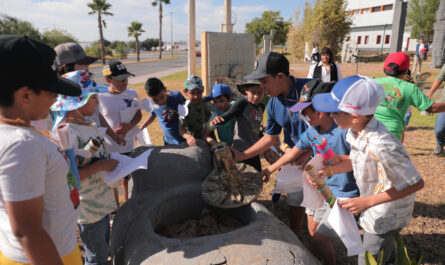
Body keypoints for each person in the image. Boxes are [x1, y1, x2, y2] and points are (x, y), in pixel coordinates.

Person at [312, 75, 425, 265]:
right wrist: (333, 168)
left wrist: (367, 201)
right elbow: (363, 160)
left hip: (384, 214)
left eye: (335, 113)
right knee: (381, 255)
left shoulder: (382, 143)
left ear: (354, 116)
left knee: (369, 259)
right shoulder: (356, 131)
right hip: (373, 206)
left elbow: (415, 183)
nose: (331, 116)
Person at [0, 35, 82, 265]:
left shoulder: (18, 133)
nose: (56, 99)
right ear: (25, 95)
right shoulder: (22, 145)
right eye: (51, 92)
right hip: (45, 254)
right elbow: (28, 231)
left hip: (51, 248)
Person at [259, 79, 359, 265]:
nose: (302, 116)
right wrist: (269, 169)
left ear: (321, 110)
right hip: (320, 189)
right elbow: (294, 152)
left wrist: (330, 168)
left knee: (319, 237)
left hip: (343, 194)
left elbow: (359, 162)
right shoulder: (312, 131)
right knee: (312, 235)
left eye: (305, 112)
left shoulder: (345, 132)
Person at [233, 51, 310, 236]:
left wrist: (310, 152)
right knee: (295, 199)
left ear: (280, 76)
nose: (262, 87)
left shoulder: (309, 91)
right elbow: (270, 138)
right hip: (294, 160)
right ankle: (297, 234)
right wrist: (243, 155)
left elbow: (331, 126)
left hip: (320, 158)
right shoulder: (273, 104)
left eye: (265, 81)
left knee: (320, 214)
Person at [52, 70, 120, 265]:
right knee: (96, 258)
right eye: (92, 98)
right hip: (89, 210)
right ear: (77, 103)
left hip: (102, 205)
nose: (97, 101)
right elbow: (70, 176)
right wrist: (102, 164)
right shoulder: (67, 133)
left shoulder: (87, 124)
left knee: (101, 251)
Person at [53, 42, 123, 146]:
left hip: (96, 142)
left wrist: (113, 135)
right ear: (64, 66)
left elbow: (97, 114)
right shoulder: (56, 96)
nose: (86, 66)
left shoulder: (87, 85)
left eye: (87, 63)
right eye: (82, 63)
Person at [374, 52, 445, 141]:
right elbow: (432, 108)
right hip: (391, 137)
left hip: (367, 134)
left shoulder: (372, 83)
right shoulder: (410, 88)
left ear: (384, 68)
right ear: (406, 70)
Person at [98, 60, 142, 201]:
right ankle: (115, 208)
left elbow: (138, 114)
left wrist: (128, 127)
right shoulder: (99, 97)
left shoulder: (132, 94)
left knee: (127, 177)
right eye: (120, 80)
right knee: (111, 181)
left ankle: (127, 203)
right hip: (110, 147)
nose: (124, 83)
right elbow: (98, 119)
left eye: (126, 78)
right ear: (108, 80)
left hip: (128, 144)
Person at [210, 80, 265, 171]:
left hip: (254, 150)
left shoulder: (261, 107)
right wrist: (219, 119)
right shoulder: (243, 103)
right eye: (253, 92)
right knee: (241, 178)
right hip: (240, 150)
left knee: (257, 176)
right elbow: (229, 115)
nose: (256, 96)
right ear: (246, 90)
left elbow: (255, 127)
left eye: (260, 93)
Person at [140, 77, 187, 145]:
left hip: (183, 140)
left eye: (162, 97)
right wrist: (141, 127)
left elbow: (188, 113)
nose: (160, 102)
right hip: (168, 142)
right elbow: (152, 115)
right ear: (149, 97)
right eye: (155, 100)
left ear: (165, 89)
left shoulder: (177, 97)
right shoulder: (152, 104)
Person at [180, 75, 214, 146]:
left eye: (198, 92)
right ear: (185, 92)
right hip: (195, 142)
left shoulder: (207, 101)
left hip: (210, 139)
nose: (196, 96)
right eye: (192, 93)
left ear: (203, 90)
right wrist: (188, 137)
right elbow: (181, 129)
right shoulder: (183, 108)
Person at [426, 63, 445, 155]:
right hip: (444, 103)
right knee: (439, 130)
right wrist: (430, 92)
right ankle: (440, 144)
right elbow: (440, 78)